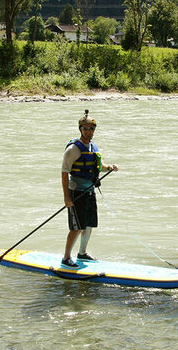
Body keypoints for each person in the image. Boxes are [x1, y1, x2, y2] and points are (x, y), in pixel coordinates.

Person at [61, 110, 118, 268]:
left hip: (90, 191)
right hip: (76, 192)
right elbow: (64, 173)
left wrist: (110, 168)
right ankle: (66, 258)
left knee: (88, 225)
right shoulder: (73, 149)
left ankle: (82, 253)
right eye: (85, 128)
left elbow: (100, 166)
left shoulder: (93, 147)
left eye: (91, 128)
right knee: (76, 227)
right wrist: (67, 198)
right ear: (80, 129)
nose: (88, 131)